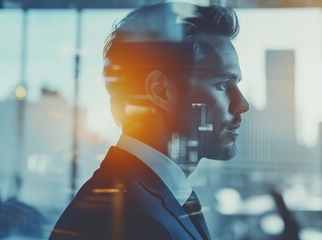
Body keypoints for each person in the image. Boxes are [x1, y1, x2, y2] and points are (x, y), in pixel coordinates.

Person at [50, 2, 249, 239]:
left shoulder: (148, 198)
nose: (242, 104)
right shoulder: (132, 220)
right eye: (222, 85)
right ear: (161, 91)